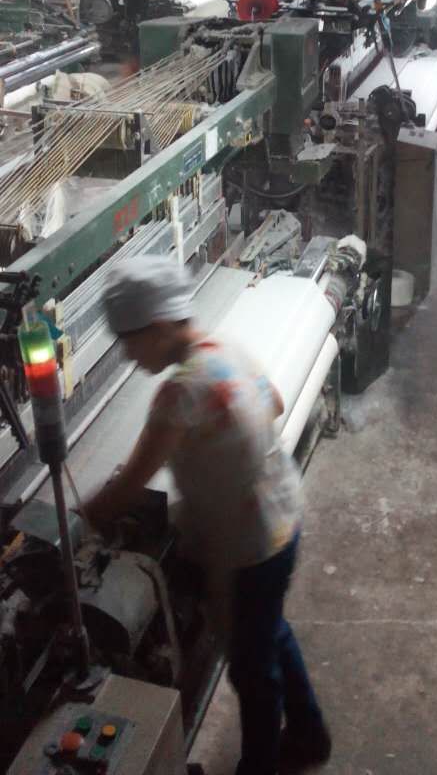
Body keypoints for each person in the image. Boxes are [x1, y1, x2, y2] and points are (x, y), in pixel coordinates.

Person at [84, 256, 331, 775]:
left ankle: (260, 766)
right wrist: (222, 449)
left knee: (250, 669)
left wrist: (80, 520)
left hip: (247, 548)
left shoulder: (176, 394)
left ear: (157, 327)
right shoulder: (224, 350)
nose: (127, 356)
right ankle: (311, 734)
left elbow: (129, 485)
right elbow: (275, 403)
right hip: (283, 518)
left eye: (129, 343)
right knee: (271, 631)